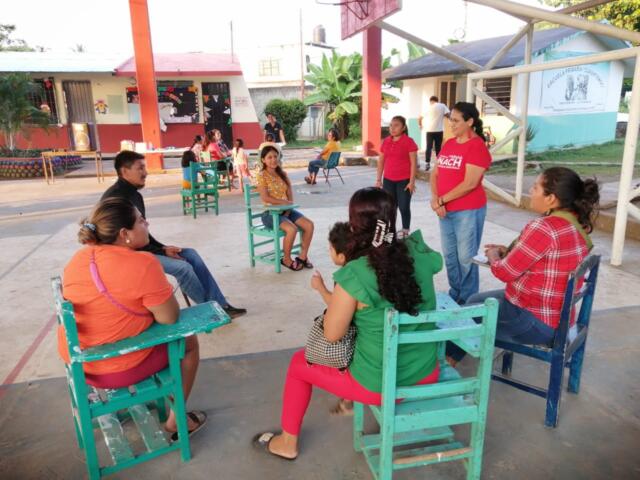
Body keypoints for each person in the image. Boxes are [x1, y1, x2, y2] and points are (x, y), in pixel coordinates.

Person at [253, 187, 443, 460]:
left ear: (355, 226)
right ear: (390, 219)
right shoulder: (417, 250)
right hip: (425, 372)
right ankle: (349, 401)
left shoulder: (355, 274)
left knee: (298, 364)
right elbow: (434, 263)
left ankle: (287, 443)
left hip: (380, 385)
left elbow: (332, 334)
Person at [59, 197, 207, 440]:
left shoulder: (79, 258)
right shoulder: (143, 263)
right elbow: (169, 318)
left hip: (82, 364)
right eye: (141, 220)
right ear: (125, 233)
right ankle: (175, 421)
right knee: (188, 342)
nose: (147, 223)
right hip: (116, 368)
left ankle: (170, 402)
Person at [446, 167, 599, 364]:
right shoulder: (576, 225)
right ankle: (453, 357)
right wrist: (509, 252)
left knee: (467, 316)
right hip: (558, 316)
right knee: (474, 299)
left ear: (551, 198)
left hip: (536, 322)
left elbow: (504, 272)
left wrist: (493, 256)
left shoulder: (543, 228)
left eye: (535, 188)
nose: (531, 192)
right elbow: (543, 256)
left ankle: (446, 363)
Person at [101, 150, 246, 318]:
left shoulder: (133, 195)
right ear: (124, 171)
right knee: (183, 268)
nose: (145, 173)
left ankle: (220, 304)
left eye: (144, 168)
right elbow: (125, 240)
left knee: (190, 254)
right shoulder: (116, 200)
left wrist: (163, 248)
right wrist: (160, 251)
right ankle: (212, 311)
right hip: (125, 255)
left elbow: (142, 232)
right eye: (140, 168)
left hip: (139, 248)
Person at [430, 101, 492, 305]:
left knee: (466, 258)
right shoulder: (449, 143)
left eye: (456, 121)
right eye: (450, 120)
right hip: (445, 210)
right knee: (450, 256)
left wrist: (441, 200)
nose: (451, 125)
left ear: (470, 122)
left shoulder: (477, 147)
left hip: (468, 210)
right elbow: (435, 173)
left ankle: (468, 299)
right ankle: (455, 293)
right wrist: (435, 200)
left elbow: (470, 183)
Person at [309, 221, 357, 416]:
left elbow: (337, 307)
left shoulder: (346, 277)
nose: (328, 251)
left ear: (342, 256)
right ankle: (348, 399)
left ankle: (348, 397)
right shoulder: (363, 267)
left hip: (356, 335)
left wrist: (320, 288)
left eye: (330, 249)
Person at [255, 145, 314, 272]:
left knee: (309, 225)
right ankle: (286, 259)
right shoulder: (261, 175)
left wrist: (287, 209)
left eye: (275, 156)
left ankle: (302, 257)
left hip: (286, 210)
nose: (273, 160)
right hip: (270, 214)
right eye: (269, 157)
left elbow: (290, 196)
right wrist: (282, 202)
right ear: (263, 160)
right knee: (291, 229)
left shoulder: (283, 174)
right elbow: (265, 198)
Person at [375, 116, 418, 239]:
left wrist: (411, 182)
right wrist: (378, 179)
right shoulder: (386, 141)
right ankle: (390, 231)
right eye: (391, 125)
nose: (392, 128)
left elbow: (413, 163)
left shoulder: (409, 142)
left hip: (404, 181)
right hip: (388, 180)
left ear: (403, 127)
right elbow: (381, 161)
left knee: (404, 206)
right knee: (389, 208)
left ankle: (405, 230)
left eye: (396, 125)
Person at [419, 95, 450, 171]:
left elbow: (420, 117)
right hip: (439, 130)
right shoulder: (442, 106)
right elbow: (448, 114)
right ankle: (439, 164)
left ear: (431, 101)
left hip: (429, 130)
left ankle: (427, 164)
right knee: (438, 148)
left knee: (428, 147)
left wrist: (420, 125)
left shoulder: (427, 107)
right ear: (437, 100)